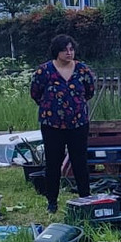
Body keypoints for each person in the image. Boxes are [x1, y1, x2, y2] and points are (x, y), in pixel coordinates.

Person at [29, 34, 96, 213]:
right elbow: (35, 92)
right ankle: (52, 201)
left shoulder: (83, 70)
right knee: (53, 162)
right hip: (52, 124)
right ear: (56, 51)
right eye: (65, 49)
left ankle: (85, 198)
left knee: (80, 161)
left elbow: (89, 91)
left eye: (71, 49)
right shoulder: (44, 71)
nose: (69, 52)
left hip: (78, 123)